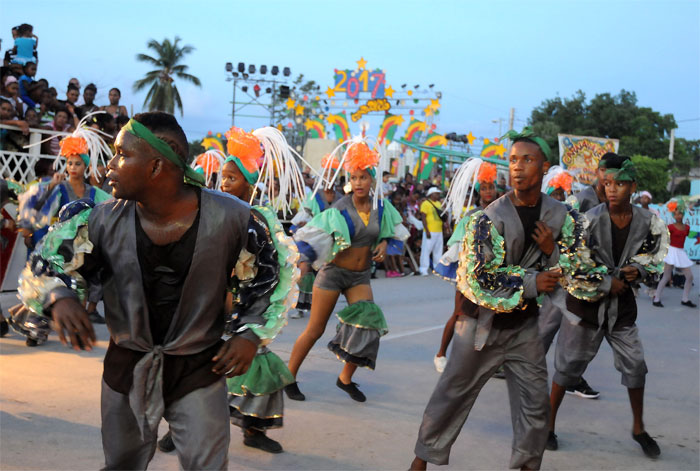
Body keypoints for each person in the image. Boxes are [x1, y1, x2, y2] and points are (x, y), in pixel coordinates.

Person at [13, 111, 286, 470]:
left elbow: (268, 276)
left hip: (199, 369)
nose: (111, 164)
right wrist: (59, 296)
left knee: (208, 466)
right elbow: (50, 261)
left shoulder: (235, 218)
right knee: (122, 465)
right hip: (125, 368)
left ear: (157, 165)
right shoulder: (99, 219)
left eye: (123, 154)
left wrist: (250, 334)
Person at [410, 127, 582, 471]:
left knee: (536, 406)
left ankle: (527, 464)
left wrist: (550, 251)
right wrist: (535, 280)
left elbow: (575, 270)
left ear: (544, 167)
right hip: (479, 328)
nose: (517, 167)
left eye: (527, 160)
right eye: (513, 160)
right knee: (451, 396)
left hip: (525, 329)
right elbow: (481, 277)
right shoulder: (487, 218)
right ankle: (420, 461)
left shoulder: (562, 217)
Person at [547, 155, 669, 458]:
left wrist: (638, 270)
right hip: (584, 308)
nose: (612, 189)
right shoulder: (589, 219)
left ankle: (638, 429)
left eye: (620, 183)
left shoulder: (648, 221)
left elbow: (655, 255)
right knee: (567, 369)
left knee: (636, 367)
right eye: (608, 183)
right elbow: (571, 261)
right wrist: (604, 282)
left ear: (633, 187)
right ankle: (546, 426)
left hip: (622, 310)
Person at [285, 138, 408, 403]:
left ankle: (345, 378)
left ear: (372, 180)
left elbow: (388, 231)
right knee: (314, 330)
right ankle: (289, 376)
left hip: (360, 277)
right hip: (333, 274)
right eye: (354, 177)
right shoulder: (339, 209)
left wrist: (385, 242)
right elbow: (314, 238)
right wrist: (304, 265)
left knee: (368, 322)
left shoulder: (381, 207)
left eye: (363, 177)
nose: (359, 182)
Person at [12, 114, 113, 343]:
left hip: (81, 252)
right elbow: (34, 207)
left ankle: (65, 321)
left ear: (85, 166)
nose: (73, 167)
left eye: (78, 163)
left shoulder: (95, 193)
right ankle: (36, 330)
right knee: (42, 284)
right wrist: (50, 189)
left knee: (73, 289)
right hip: (55, 247)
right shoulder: (57, 187)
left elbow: (110, 211)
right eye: (69, 163)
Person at [433, 159, 498, 372]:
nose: (489, 191)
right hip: (469, 274)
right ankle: (441, 353)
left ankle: (480, 361)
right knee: (460, 314)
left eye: (491, 186)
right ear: (479, 192)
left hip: (492, 274)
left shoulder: (502, 213)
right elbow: (458, 245)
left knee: (488, 316)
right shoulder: (471, 216)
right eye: (484, 188)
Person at [652, 200, 696, 308]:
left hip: (681, 253)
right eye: (675, 214)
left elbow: (691, 236)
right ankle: (656, 298)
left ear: (683, 214)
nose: (678, 216)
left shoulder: (687, 228)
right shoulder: (670, 227)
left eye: (679, 213)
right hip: (671, 252)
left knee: (690, 277)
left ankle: (685, 299)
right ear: (673, 215)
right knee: (666, 277)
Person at [419, 187, 445, 276]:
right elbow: (423, 217)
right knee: (426, 250)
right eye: (436, 193)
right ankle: (423, 269)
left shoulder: (438, 203)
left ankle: (437, 268)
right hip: (430, 230)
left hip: (439, 230)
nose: (438, 195)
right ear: (431, 194)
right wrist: (427, 230)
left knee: (438, 250)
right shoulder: (425, 204)